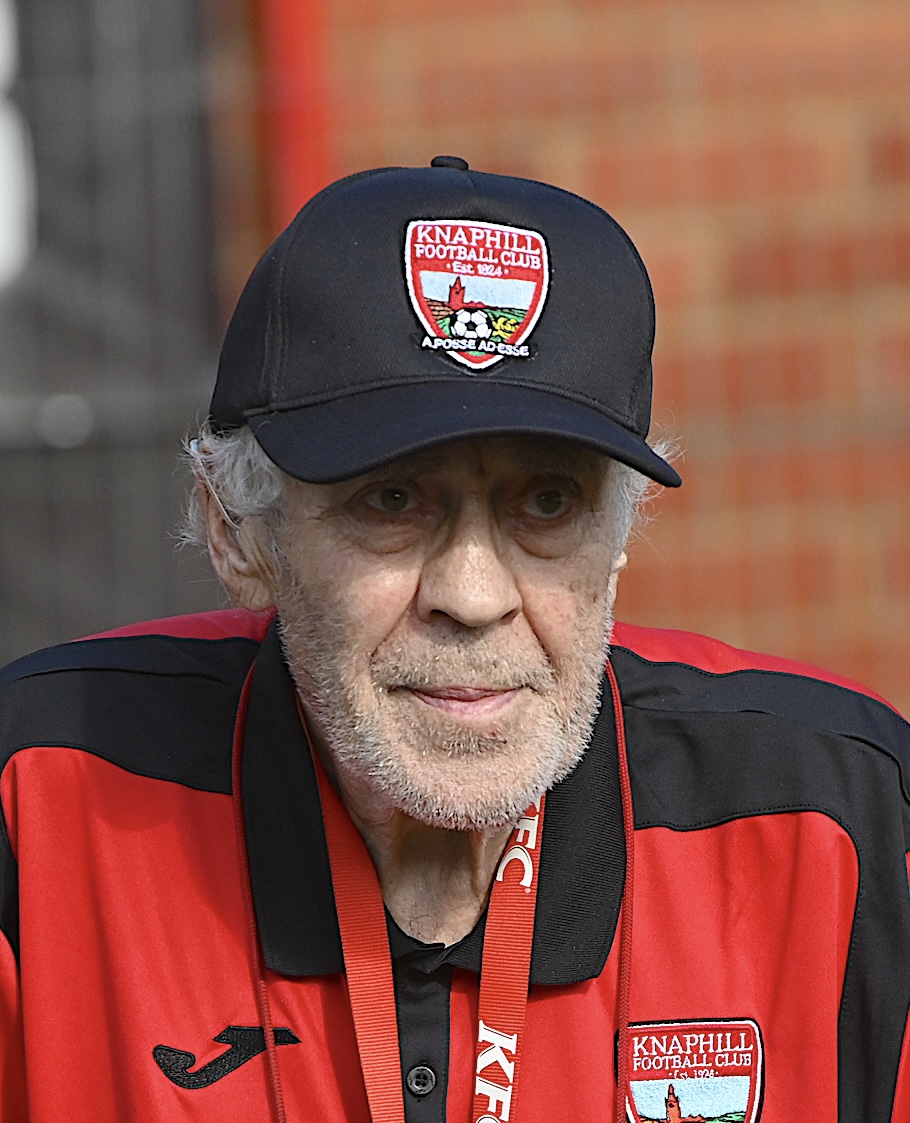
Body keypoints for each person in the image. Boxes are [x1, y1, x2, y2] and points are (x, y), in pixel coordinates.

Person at [0, 156, 908, 1123]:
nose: (472, 596)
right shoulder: (36, 812)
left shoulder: (842, 831)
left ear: (618, 541)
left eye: (547, 502)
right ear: (238, 533)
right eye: (391, 500)